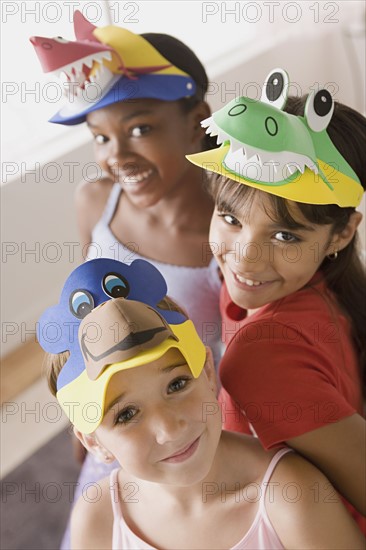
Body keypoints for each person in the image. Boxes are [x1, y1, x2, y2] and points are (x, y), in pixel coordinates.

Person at [31, 13, 222, 547]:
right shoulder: (95, 201)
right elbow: (84, 310)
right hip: (121, 417)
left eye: (140, 129)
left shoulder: (222, 232)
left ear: (197, 120)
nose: (118, 156)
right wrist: (86, 415)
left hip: (192, 417)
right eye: (100, 138)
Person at [38, 260, 364, 550]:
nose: (169, 428)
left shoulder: (292, 497)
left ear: (208, 372)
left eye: (177, 385)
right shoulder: (97, 520)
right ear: (94, 442)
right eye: (126, 414)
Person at [187, 68, 366, 533]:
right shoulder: (318, 285)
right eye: (230, 218)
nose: (245, 257)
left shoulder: (265, 354)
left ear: (342, 233)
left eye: (285, 235)